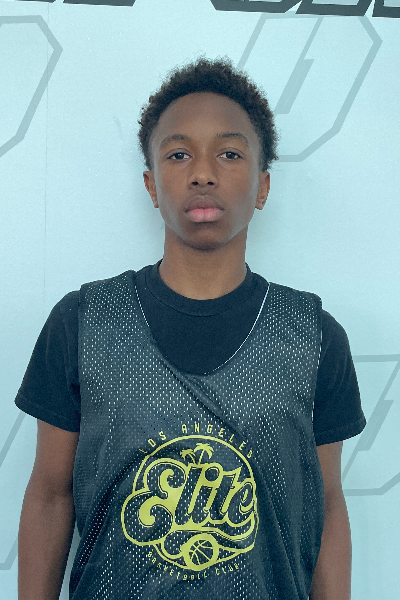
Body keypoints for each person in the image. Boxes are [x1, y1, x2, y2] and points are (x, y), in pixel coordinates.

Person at [16, 57, 366, 600]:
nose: (203, 173)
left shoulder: (314, 337)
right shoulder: (83, 323)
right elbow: (49, 494)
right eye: (179, 154)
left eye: (229, 153)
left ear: (262, 186)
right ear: (152, 185)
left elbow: (326, 503)